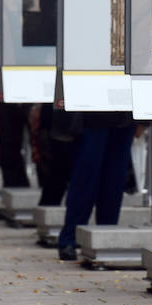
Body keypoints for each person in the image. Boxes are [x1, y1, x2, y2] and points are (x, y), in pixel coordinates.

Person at [55, 111, 135, 261]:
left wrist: (142, 121)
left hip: (123, 115)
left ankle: (106, 238)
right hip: (91, 113)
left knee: (114, 182)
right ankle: (70, 238)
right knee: (85, 178)